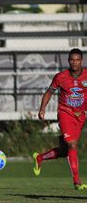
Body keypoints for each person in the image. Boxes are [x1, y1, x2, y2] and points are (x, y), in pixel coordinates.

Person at [32, 48, 87, 190]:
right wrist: (42, 108)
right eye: (72, 60)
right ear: (68, 61)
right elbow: (49, 92)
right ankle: (77, 181)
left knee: (65, 150)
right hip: (65, 113)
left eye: (77, 60)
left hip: (80, 115)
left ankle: (40, 158)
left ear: (81, 61)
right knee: (72, 144)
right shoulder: (60, 76)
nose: (74, 62)